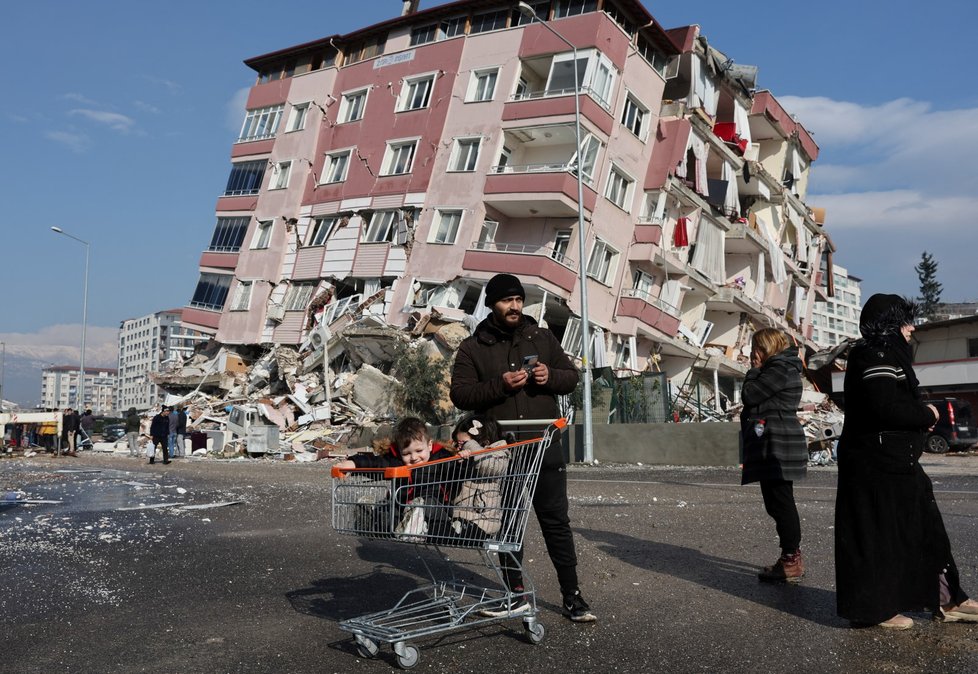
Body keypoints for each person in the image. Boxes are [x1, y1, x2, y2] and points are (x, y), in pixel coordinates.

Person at [450, 273, 595, 623]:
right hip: (503, 451)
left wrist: (551, 377)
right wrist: (498, 386)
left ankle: (573, 597)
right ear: (492, 304)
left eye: (518, 300)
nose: (514, 306)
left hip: (545, 446)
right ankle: (515, 595)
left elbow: (572, 377)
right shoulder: (473, 347)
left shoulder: (542, 337)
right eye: (506, 301)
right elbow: (461, 394)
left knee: (556, 523)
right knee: (508, 524)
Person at [835, 294, 978, 629]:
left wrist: (917, 416)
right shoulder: (875, 355)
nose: (912, 328)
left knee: (926, 529)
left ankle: (947, 598)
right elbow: (883, 406)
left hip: (895, 461)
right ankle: (875, 609)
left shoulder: (886, 355)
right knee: (877, 537)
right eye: (905, 321)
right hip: (875, 464)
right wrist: (925, 413)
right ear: (888, 324)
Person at [740, 328, 808, 583]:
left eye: (755, 348)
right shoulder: (782, 367)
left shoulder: (778, 368)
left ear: (764, 348)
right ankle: (790, 557)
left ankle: (791, 559)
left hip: (778, 443)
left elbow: (750, 395)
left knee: (780, 501)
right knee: (777, 501)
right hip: (774, 440)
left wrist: (754, 370)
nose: (752, 354)